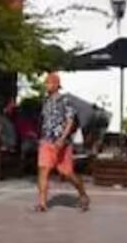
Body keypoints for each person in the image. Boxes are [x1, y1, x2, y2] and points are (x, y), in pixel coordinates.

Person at [34, 73, 90, 212]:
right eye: (46, 83)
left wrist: (63, 138)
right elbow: (44, 121)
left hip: (62, 143)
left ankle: (82, 194)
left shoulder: (65, 101)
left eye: (50, 83)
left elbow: (70, 121)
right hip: (46, 140)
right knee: (43, 170)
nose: (47, 85)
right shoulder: (45, 101)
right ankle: (42, 202)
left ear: (57, 85)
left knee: (67, 173)